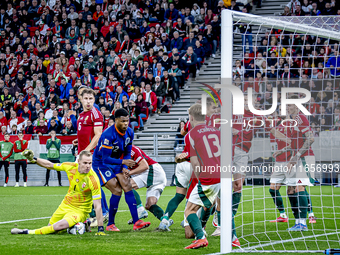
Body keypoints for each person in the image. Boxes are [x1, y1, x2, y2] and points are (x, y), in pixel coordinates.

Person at [11, 150, 106, 236]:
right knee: (51, 228)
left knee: (57, 226)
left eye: (90, 163)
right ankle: (81, 225)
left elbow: (97, 206)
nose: (88, 166)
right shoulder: (70, 167)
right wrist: (34, 159)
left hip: (80, 210)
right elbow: (50, 165)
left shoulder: (93, 179)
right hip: (65, 204)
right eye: (85, 163)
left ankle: (26, 231)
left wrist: (100, 229)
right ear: (78, 162)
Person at [92, 108, 151, 231]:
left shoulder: (129, 132)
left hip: (117, 162)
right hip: (101, 165)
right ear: (115, 121)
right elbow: (105, 159)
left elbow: (128, 152)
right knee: (117, 190)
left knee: (127, 185)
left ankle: (137, 222)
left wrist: (124, 167)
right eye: (123, 121)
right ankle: (110, 224)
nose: (125, 124)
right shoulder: (108, 135)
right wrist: (123, 162)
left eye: (127, 121)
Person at [273, 95, 316, 231]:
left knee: (300, 187)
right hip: (296, 158)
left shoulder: (301, 118)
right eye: (286, 106)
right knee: (290, 190)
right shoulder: (291, 122)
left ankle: (303, 223)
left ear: (297, 106)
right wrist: (282, 151)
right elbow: (293, 143)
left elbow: (311, 139)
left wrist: (296, 156)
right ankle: (297, 221)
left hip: (304, 158)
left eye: (290, 105)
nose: (287, 108)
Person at [184, 104, 220, 249]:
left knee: (189, 210)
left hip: (209, 177)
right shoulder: (217, 131)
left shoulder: (191, 134)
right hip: (223, 174)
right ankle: (230, 235)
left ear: (191, 117)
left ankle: (201, 237)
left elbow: (195, 163)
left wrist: (201, 179)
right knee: (210, 204)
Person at [71, 87, 109, 225]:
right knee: (86, 185)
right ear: (80, 99)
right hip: (83, 153)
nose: (88, 102)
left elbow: (98, 135)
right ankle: (93, 214)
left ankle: (103, 213)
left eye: (91, 99)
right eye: (86, 98)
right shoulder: (82, 114)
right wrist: (78, 140)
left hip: (90, 155)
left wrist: (85, 151)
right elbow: (85, 133)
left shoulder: (95, 114)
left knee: (93, 184)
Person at [126, 145, 167, 224]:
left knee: (126, 185)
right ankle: (165, 221)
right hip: (158, 173)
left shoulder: (131, 149)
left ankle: (139, 210)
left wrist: (129, 173)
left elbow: (145, 166)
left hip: (152, 171)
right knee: (149, 205)